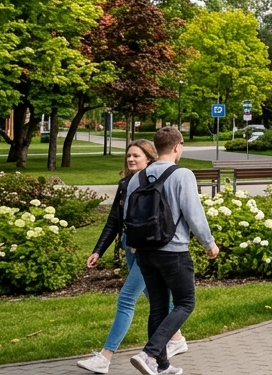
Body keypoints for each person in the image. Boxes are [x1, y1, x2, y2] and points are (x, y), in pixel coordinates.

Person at [78, 141, 188, 375]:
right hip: (131, 246)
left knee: (127, 298)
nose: (130, 160)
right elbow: (114, 221)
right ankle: (174, 340)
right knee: (153, 296)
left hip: (147, 249)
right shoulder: (125, 184)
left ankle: (105, 357)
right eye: (128, 155)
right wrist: (99, 250)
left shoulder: (158, 182)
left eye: (136, 156)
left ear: (150, 158)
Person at [123, 127, 218, 375]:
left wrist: (135, 243)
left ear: (156, 147)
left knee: (158, 307)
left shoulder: (138, 177)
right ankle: (150, 353)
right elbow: (193, 213)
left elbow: (127, 215)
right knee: (186, 302)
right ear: (177, 147)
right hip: (173, 251)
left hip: (145, 251)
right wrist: (209, 243)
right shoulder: (182, 174)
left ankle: (161, 366)